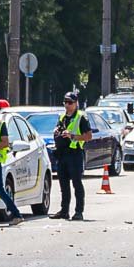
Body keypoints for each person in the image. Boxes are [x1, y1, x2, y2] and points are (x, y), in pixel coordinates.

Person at [49, 92, 94, 221]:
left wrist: (72, 136)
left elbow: (89, 136)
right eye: (65, 102)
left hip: (75, 154)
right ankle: (64, 211)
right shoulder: (62, 117)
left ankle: (79, 211)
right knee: (63, 184)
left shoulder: (81, 117)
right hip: (62, 153)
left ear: (76, 103)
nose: (67, 105)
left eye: (70, 102)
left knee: (76, 183)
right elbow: (58, 129)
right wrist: (57, 132)